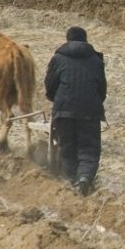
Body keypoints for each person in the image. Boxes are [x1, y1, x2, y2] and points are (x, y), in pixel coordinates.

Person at [44, 26, 107, 196]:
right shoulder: (96, 60)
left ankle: (71, 182)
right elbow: (102, 90)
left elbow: (49, 87)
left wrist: (56, 100)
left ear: (68, 39)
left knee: (68, 149)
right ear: (86, 40)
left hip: (64, 111)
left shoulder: (58, 59)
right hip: (90, 111)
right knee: (89, 149)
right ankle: (85, 178)